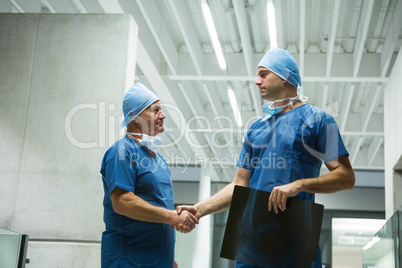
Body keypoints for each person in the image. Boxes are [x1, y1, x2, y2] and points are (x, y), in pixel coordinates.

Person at [176, 48, 355, 267]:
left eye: (263, 74)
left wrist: (299, 185)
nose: (256, 81)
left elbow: (345, 177)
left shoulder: (318, 121)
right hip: (251, 245)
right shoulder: (256, 129)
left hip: (294, 244)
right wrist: (200, 209)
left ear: (285, 77)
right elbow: (240, 184)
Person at [100, 83, 198, 268]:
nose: (163, 115)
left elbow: (158, 206)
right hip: (129, 260)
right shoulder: (121, 152)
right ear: (135, 118)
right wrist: (173, 217)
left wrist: (166, 254)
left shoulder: (158, 159)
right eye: (155, 110)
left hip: (157, 259)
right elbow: (123, 202)